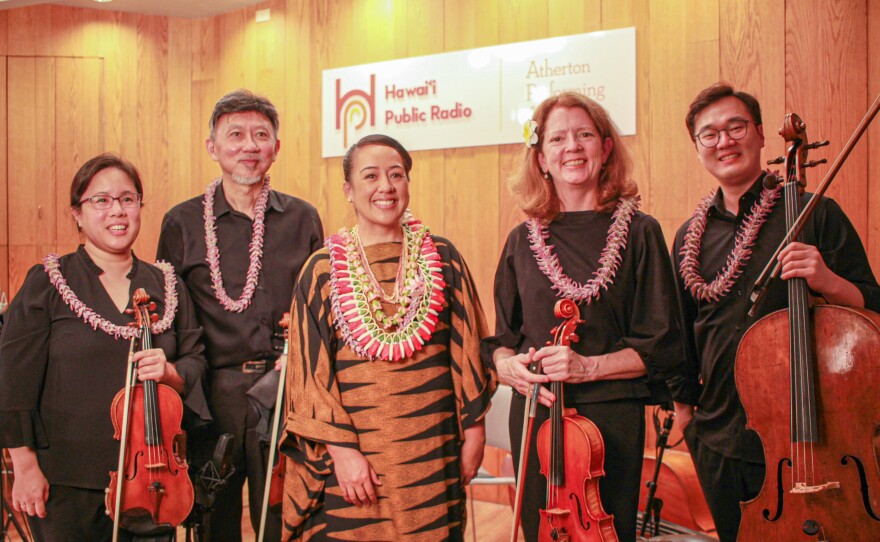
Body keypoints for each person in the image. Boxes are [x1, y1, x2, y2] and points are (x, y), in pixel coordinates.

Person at [672, 82, 880, 542]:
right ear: (698, 147)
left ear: (762, 135)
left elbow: (873, 304)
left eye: (736, 126)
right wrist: (685, 415)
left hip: (815, 435)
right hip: (720, 437)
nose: (724, 141)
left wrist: (828, 281)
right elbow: (684, 334)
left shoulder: (815, 213)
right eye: (710, 134)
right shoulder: (689, 237)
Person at [481, 92, 687, 541]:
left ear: (605, 147)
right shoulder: (522, 240)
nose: (571, 147)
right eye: (557, 138)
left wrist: (588, 367)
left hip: (612, 419)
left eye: (584, 135)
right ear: (540, 159)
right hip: (538, 416)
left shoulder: (640, 232)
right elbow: (501, 339)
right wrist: (508, 367)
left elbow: (664, 346)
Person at [279, 134, 496, 541]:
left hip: (433, 451)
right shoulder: (322, 269)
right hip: (356, 460)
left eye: (397, 174)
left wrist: (476, 432)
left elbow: (468, 350)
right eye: (371, 176)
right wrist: (343, 454)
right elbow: (308, 376)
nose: (386, 187)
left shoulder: (443, 257)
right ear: (349, 190)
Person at [0, 153, 211, 541]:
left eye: (128, 199)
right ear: (77, 214)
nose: (117, 210)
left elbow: (196, 359)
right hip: (65, 479)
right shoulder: (47, 283)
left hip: (152, 478)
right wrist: (24, 466)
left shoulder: (167, 284)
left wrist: (171, 372)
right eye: (101, 200)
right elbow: (13, 380)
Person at [156, 89, 324, 541]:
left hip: (286, 390)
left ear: (276, 148)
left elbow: (319, 310)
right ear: (212, 147)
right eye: (235, 135)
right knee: (215, 523)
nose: (249, 146)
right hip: (213, 395)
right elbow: (169, 319)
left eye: (261, 135)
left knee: (285, 521)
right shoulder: (181, 222)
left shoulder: (303, 219)